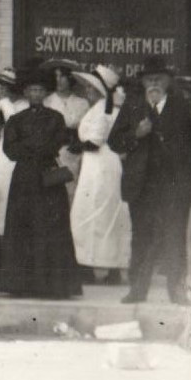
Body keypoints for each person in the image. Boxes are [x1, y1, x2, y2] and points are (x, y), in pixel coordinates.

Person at [110, 57, 191, 304]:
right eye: (149, 79)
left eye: (158, 79)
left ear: (168, 81)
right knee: (142, 237)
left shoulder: (181, 106)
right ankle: (137, 290)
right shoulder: (133, 105)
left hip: (174, 187)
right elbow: (114, 141)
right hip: (142, 186)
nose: (153, 84)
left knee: (174, 237)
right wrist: (136, 134)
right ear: (142, 82)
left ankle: (177, 290)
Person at [0, 64, 83, 299]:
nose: (35, 94)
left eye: (40, 90)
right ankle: (21, 284)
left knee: (50, 226)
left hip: (47, 177)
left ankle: (52, 285)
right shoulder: (16, 119)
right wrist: (35, 148)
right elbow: (10, 149)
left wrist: (31, 148)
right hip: (24, 178)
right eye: (32, 90)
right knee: (23, 225)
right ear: (25, 92)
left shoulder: (55, 118)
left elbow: (55, 143)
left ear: (46, 93)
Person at [69, 66, 130, 282]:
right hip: (100, 163)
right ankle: (106, 266)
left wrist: (74, 145)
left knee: (93, 212)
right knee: (104, 212)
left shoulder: (104, 109)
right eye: (87, 87)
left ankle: (94, 264)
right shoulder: (102, 108)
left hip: (101, 164)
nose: (87, 91)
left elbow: (95, 141)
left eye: (91, 87)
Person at [0, 68, 27, 251]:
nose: (1, 89)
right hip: (4, 152)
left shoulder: (23, 105)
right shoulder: (0, 104)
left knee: (13, 193)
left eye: (4, 86)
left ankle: (13, 241)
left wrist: (2, 105)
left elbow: (17, 123)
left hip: (18, 153)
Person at [45, 61, 88, 131]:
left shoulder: (82, 103)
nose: (58, 80)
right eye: (56, 76)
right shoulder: (46, 102)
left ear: (70, 78)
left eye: (62, 76)